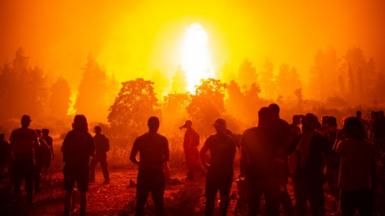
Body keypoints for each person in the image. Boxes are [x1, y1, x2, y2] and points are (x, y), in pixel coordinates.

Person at [240, 107, 280, 216]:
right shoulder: (275, 134)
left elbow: (243, 156)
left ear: (259, 117)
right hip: (271, 176)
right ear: (270, 118)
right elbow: (281, 156)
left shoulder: (248, 133)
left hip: (253, 176)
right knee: (272, 208)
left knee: (253, 208)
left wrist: (242, 173)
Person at [130, 116, 169, 216]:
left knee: (140, 203)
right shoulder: (163, 140)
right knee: (159, 203)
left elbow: (132, 157)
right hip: (157, 173)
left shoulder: (140, 139)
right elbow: (166, 157)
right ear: (158, 126)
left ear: (148, 125)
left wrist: (140, 163)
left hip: (144, 173)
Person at [337, 117, 375, 216]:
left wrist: (337, 139)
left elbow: (333, 159)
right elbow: (372, 169)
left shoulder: (343, 144)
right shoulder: (368, 146)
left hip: (347, 187)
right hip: (364, 186)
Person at [293, 113, 330, 216]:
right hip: (315, 176)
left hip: (300, 176)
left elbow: (288, 152)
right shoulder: (319, 138)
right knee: (317, 206)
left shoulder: (298, 138)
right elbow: (330, 156)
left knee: (301, 205)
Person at [200, 118, 236, 216]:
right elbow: (232, 158)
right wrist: (205, 165)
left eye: (218, 127)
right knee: (221, 198)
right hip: (224, 172)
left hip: (215, 172)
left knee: (213, 198)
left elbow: (202, 152)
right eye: (217, 127)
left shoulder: (212, 139)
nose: (217, 129)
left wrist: (205, 165)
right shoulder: (230, 140)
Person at [62, 115, 95, 216]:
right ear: (85, 123)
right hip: (83, 167)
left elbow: (63, 149)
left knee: (68, 191)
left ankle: (67, 212)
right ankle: (83, 212)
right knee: (83, 191)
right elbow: (92, 152)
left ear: (75, 123)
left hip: (70, 166)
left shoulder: (70, 135)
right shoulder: (88, 136)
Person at [268, 103, 294, 216]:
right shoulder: (283, 124)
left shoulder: (274, 125)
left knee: (280, 188)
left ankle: (286, 210)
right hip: (279, 162)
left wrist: (279, 156)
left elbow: (288, 143)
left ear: (273, 112)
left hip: (277, 163)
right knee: (277, 188)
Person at [10, 115, 38, 203]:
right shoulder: (32, 132)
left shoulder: (15, 132)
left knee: (17, 180)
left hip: (18, 159)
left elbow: (11, 145)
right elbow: (37, 145)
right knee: (29, 180)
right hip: (28, 159)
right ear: (28, 122)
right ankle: (29, 199)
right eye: (29, 121)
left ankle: (17, 198)